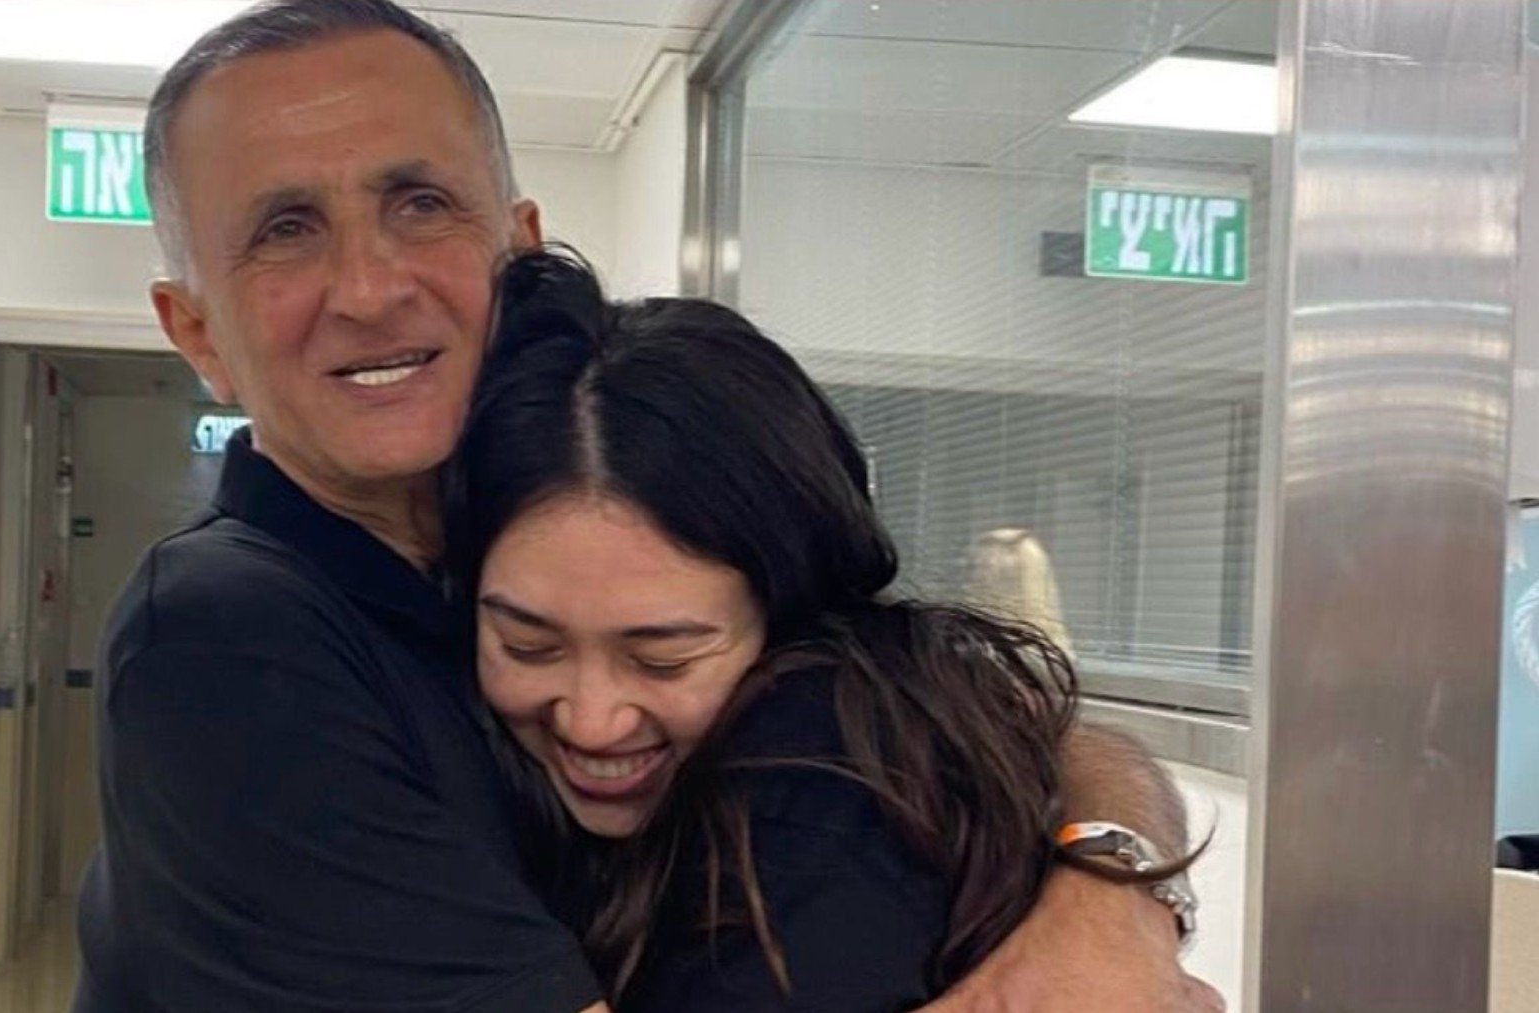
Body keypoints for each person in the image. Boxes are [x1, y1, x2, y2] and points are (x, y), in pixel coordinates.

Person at [75, 1, 1219, 1010]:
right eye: (285, 230)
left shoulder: (512, 551)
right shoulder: (227, 633)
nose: (371, 286)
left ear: (519, 253)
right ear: (197, 332)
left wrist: (1105, 896)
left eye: (419, 202)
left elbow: (1031, 724)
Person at [442, 249, 1191, 1010]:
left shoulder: (825, 771)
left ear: (793, 601)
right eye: (528, 644)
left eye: (663, 657)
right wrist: (1117, 877)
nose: (591, 720)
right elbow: (1086, 740)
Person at [966, 527, 1074, 657]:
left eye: (984, 568)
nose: (975, 578)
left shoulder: (1041, 653)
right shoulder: (973, 631)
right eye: (974, 567)